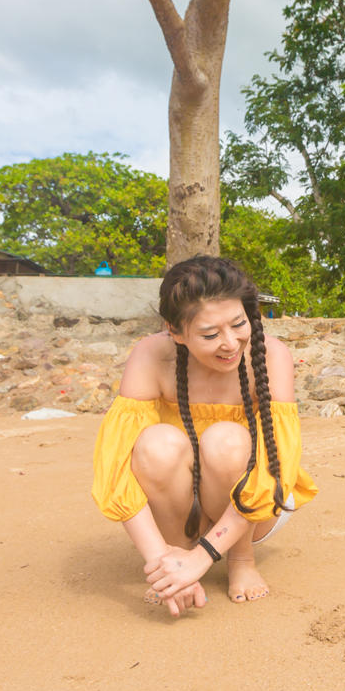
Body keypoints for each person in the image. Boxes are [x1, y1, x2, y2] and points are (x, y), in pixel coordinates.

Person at [91, 255, 317, 615]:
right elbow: (115, 469)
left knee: (225, 438)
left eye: (239, 324)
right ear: (175, 332)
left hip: (256, 503)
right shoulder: (151, 355)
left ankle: (241, 560)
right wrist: (163, 564)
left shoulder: (272, 355)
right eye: (210, 335)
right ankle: (176, 557)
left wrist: (206, 555)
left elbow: (278, 466)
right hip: (176, 500)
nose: (230, 343)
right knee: (156, 443)